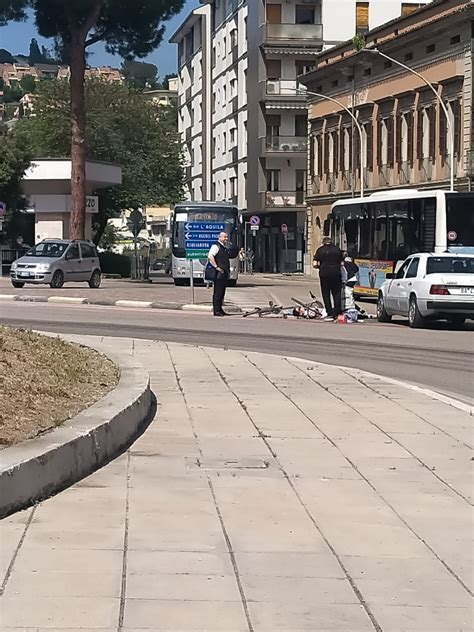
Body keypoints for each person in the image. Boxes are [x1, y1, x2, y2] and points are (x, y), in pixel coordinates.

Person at [313, 236, 344, 321]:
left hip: (324, 274)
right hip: (336, 274)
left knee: (326, 294)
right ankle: (337, 312)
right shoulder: (337, 250)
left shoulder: (320, 250)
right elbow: (342, 263)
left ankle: (329, 313)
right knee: (337, 293)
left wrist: (321, 266)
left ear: (323, 242)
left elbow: (314, 264)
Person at [208, 231, 230, 317]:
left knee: (222, 292)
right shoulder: (215, 246)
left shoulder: (223, 247)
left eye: (227, 237)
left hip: (223, 273)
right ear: (220, 237)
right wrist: (216, 267)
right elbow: (210, 256)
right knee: (218, 292)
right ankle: (216, 310)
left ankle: (220, 309)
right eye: (225, 237)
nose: (226, 239)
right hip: (218, 273)